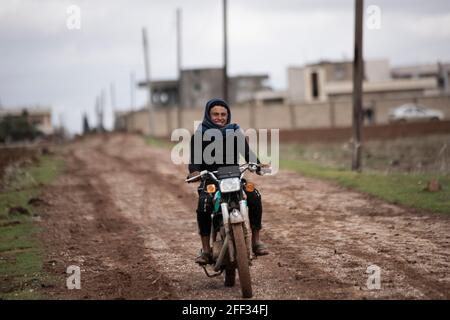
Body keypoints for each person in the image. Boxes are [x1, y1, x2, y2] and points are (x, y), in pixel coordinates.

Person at [187, 98, 269, 265]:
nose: (220, 117)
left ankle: (256, 242)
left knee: (254, 195)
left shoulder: (235, 133)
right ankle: (206, 251)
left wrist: (258, 165)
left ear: (228, 115)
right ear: (208, 115)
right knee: (204, 204)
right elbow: (194, 162)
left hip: (233, 177)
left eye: (223, 114)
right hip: (210, 179)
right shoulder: (199, 135)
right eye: (215, 114)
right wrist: (195, 172)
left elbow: (249, 155)